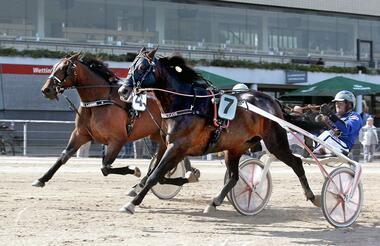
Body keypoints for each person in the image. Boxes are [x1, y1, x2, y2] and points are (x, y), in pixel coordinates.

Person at [314, 90, 363, 155]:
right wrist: (324, 122)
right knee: (318, 134)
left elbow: (346, 130)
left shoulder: (354, 116)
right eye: (336, 103)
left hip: (344, 147)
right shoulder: (337, 117)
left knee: (327, 134)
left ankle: (310, 150)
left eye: (340, 103)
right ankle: (316, 151)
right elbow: (336, 133)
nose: (337, 105)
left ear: (349, 105)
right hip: (334, 146)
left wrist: (330, 115)